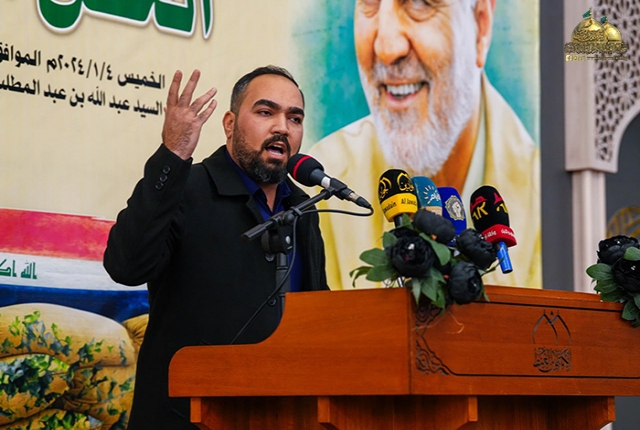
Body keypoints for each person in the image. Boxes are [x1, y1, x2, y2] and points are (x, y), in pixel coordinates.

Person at [103, 66, 328, 430]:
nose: (282, 128)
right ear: (229, 124)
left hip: (283, 414)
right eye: (266, 112)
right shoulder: (186, 189)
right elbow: (125, 266)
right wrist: (173, 154)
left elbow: (314, 310)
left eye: (295, 118)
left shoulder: (303, 209)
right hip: (186, 417)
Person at [309, 0, 540, 290]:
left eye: (420, 3)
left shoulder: (545, 197)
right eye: (369, 3)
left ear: (481, 26)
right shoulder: (323, 182)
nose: (387, 48)